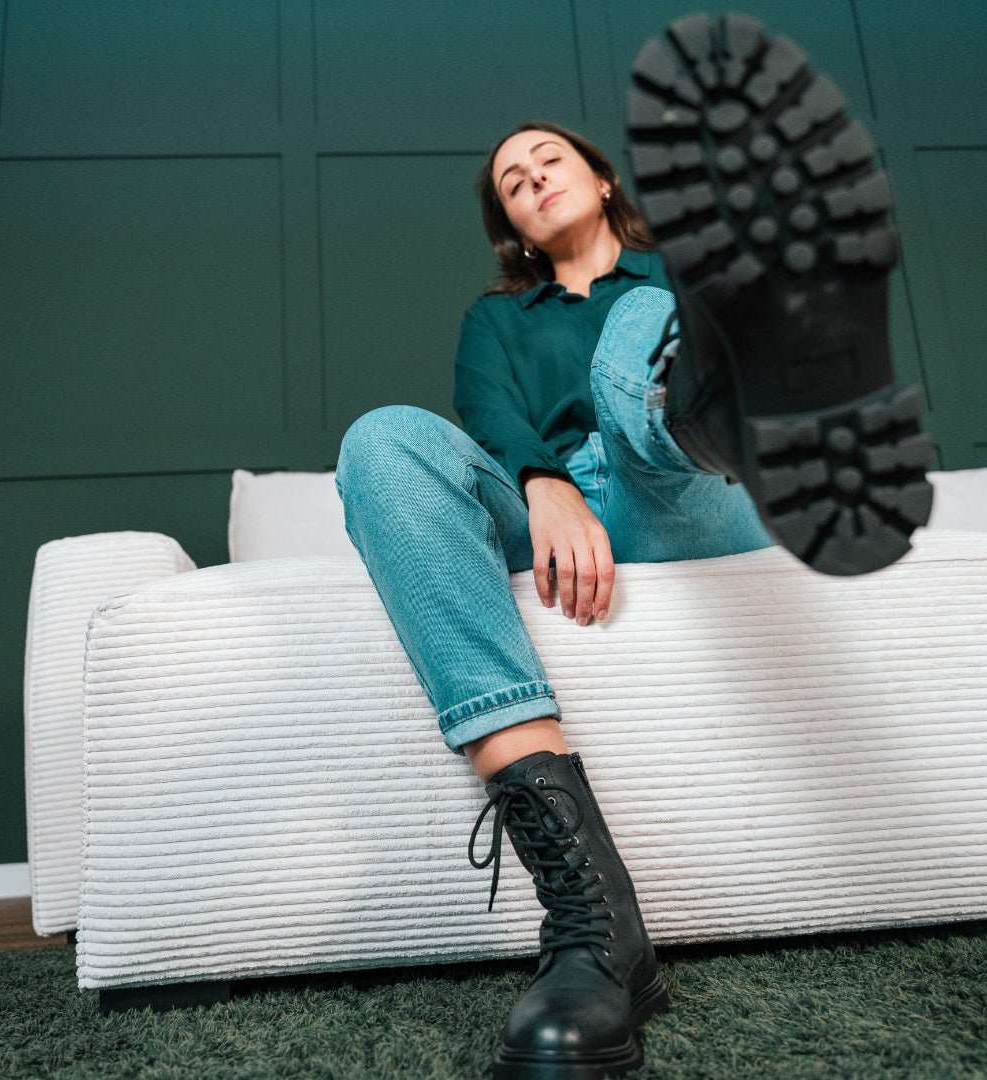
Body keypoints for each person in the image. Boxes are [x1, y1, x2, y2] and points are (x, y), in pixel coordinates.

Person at [335, 12, 933, 1079]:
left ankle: (745, 406)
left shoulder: (664, 280)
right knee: (381, 440)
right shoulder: (498, 319)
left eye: (548, 161)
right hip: (555, 501)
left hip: (681, 482)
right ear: (513, 226)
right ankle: (595, 924)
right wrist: (546, 483)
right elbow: (487, 415)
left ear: (603, 178)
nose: (531, 180)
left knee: (644, 321)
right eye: (513, 182)